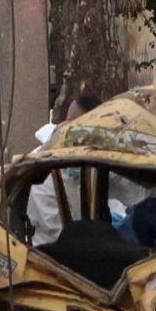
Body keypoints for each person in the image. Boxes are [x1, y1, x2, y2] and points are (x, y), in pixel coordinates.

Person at [28, 92, 104, 245]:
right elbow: (54, 230)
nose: (66, 126)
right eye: (69, 121)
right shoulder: (42, 169)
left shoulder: (94, 162)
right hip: (50, 255)